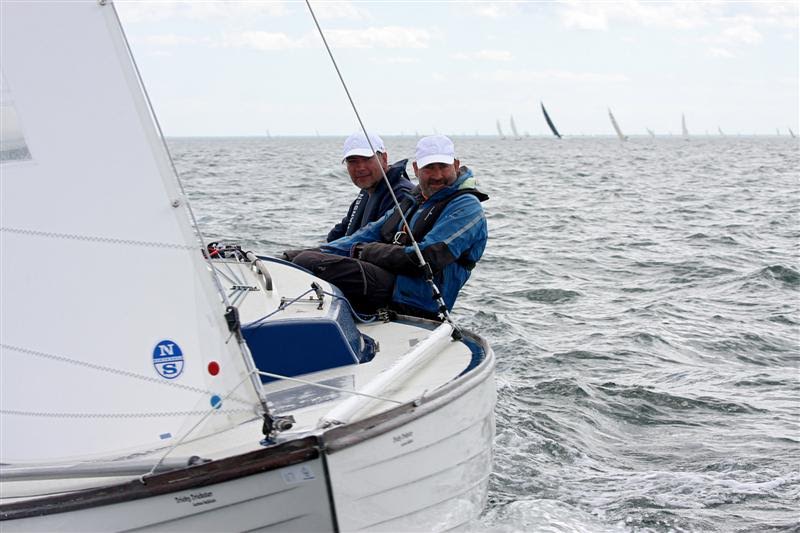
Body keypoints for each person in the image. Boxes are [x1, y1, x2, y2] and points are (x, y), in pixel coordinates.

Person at [286, 135, 488, 319]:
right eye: (429, 168)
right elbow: (366, 234)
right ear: (417, 169)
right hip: (392, 285)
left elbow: (429, 257)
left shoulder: (467, 206)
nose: (437, 175)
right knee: (303, 259)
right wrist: (291, 257)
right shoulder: (415, 200)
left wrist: (367, 252)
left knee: (310, 262)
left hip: (417, 299)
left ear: (456, 164)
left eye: (443, 166)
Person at [326, 131, 414, 242]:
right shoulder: (366, 193)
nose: (360, 168)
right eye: (353, 161)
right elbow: (337, 235)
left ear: (384, 158)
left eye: (367, 159)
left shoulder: (401, 195)